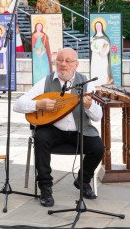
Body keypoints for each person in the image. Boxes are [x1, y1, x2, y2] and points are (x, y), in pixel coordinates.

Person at [13, 48, 104, 207]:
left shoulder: (86, 83)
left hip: (79, 131)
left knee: (98, 147)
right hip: (52, 130)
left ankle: (83, 181)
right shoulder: (46, 82)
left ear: (76, 64)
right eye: (60, 60)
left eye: (68, 61)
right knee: (40, 138)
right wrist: (38, 104)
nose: (63, 64)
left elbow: (98, 117)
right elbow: (17, 104)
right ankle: (45, 188)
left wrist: (89, 106)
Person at [90, 18, 113, 87]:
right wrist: (92, 45)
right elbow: (92, 47)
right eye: (96, 26)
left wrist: (102, 52)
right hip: (95, 57)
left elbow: (106, 46)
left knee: (103, 70)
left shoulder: (105, 37)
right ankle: (95, 85)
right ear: (95, 27)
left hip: (103, 57)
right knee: (95, 70)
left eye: (99, 26)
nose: (98, 27)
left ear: (102, 27)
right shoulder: (93, 38)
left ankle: (103, 85)